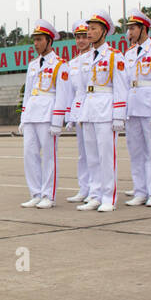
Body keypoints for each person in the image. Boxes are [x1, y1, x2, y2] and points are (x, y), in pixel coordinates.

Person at [68, 12, 126, 212]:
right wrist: (77, 113)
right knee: (91, 156)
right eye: (88, 28)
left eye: (93, 29)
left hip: (106, 108)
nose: (89, 32)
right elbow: (81, 90)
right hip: (89, 109)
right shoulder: (85, 59)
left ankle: (108, 196)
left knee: (106, 156)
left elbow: (120, 87)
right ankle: (94, 194)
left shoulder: (114, 56)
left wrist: (119, 114)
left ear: (104, 31)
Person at [18, 22, 70, 208]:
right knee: (29, 154)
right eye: (35, 40)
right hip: (32, 112)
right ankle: (36, 193)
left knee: (49, 156)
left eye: (39, 40)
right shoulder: (32, 65)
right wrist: (23, 118)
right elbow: (27, 93)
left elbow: (63, 94)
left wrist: (58, 121)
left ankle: (48, 194)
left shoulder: (60, 65)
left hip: (48, 113)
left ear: (49, 41)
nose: (36, 43)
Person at [121, 10, 151, 206]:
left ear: (143, 29)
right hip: (132, 107)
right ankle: (140, 191)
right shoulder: (129, 53)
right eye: (129, 28)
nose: (130, 31)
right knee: (136, 151)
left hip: (150, 107)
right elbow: (124, 82)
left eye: (133, 27)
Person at [65, 22, 95, 204]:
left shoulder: (95, 57)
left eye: (85, 36)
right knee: (82, 153)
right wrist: (70, 115)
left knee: (94, 152)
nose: (82, 40)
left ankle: (95, 188)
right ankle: (84, 188)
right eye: (78, 37)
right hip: (78, 107)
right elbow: (71, 91)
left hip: (92, 107)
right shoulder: (72, 63)